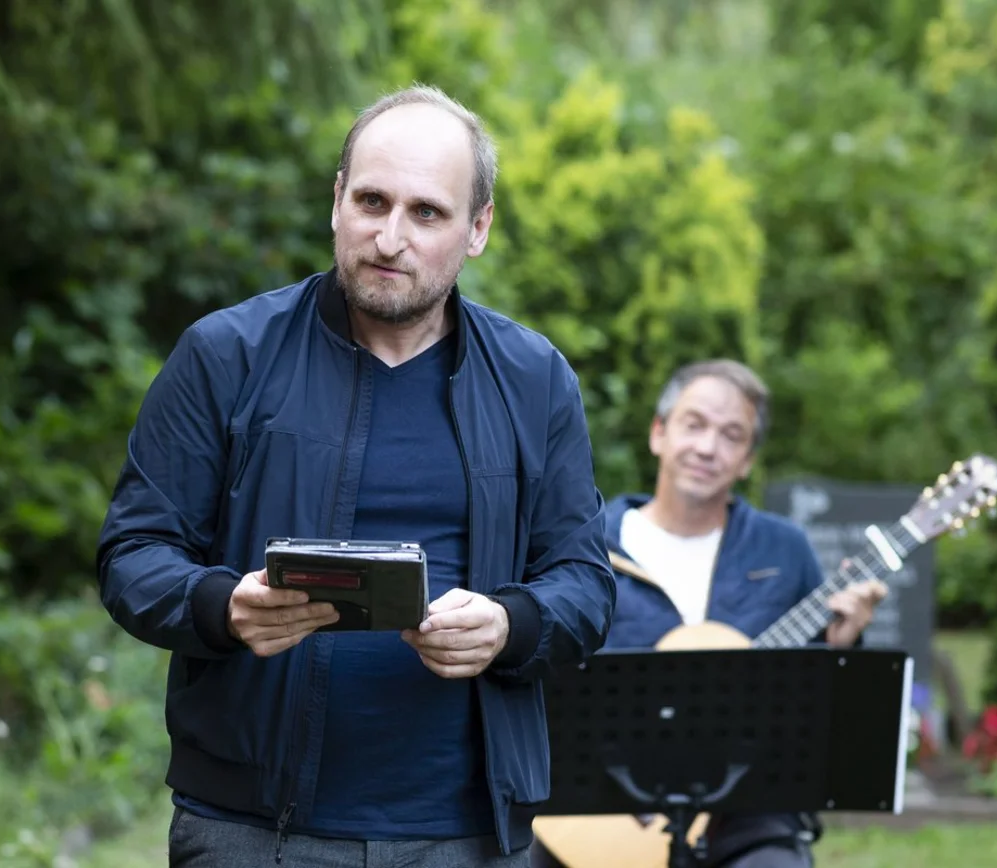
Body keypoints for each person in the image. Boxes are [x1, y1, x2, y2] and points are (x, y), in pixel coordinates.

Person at [96, 84, 617, 868]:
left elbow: (585, 582)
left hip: (466, 833)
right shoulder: (225, 355)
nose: (390, 237)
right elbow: (132, 553)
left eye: (427, 213)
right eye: (372, 201)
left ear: (478, 228)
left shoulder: (534, 378)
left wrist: (512, 625)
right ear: (336, 201)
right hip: (251, 830)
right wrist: (221, 607)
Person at [530, 359, 888, 868]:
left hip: (749, 816)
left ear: (747, 461)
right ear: (658, 433)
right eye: (694, 424)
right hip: (600, 809)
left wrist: (842, 647)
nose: (707, 447)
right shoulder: (587, 543)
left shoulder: (785, 549)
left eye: (731, 435)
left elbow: (824, 711)